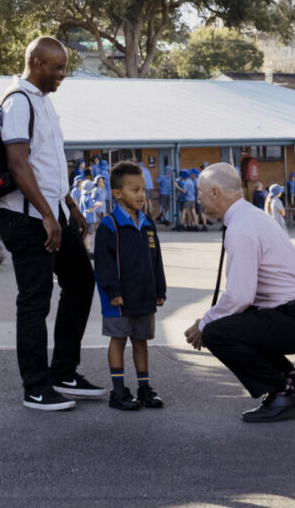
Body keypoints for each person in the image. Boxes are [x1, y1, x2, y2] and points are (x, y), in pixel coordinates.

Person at [0, 36, 103, 412]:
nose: (63, 75)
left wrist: (68, 203)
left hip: (50, 211)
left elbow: (46, 162)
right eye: (58, 68)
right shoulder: (17, 101)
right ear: (37, 62)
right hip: (25, 218)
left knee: (81, 281)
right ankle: (36, 387)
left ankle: (63, 372)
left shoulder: (43, 102)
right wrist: (45, 213)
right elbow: (18, 162)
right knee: (35, 300)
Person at [184, 163, 295, 424]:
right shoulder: (253, 217)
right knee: (236, 322)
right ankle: (291, 379)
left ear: (215, 192)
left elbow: (240, 296)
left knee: (217, 332)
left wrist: (203, 324)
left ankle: (282, 393)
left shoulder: (241, 228)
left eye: (201, 192)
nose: (199, 199)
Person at [93, 160, 167, 411]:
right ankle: (118, 391)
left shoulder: (147, 223)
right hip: (120, 298)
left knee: (141, 340)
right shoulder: (109, 225)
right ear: (117, 193)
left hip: (144, 295)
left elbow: (155, 259)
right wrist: (113, 291)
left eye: (142, 189)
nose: (141, 195)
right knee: (118, 339)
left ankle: (144, 388)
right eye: (134, 190)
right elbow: (103, 264)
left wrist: (160, 289)